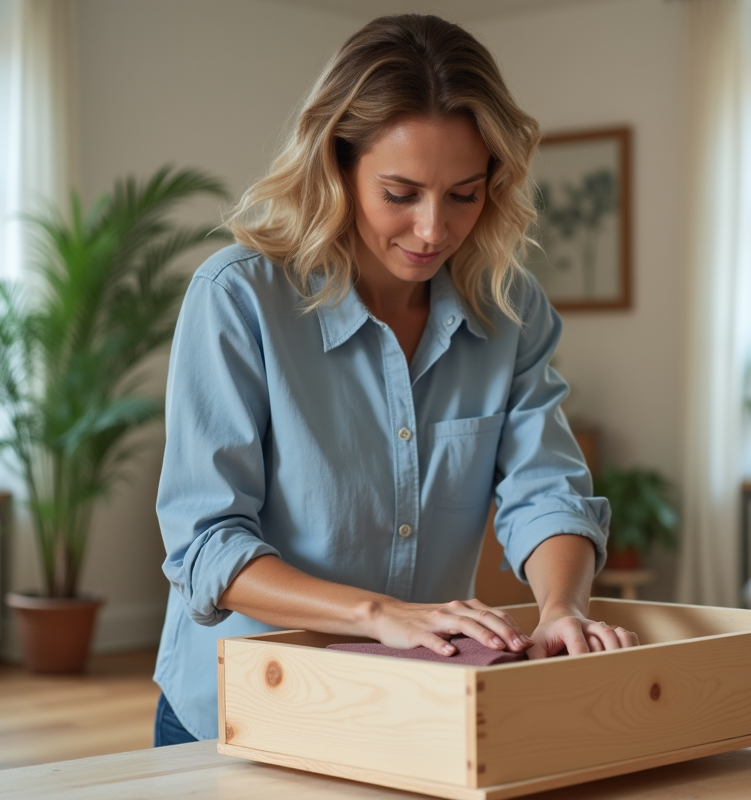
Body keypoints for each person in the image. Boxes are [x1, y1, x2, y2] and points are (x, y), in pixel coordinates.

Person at [152, 13, 636, 746]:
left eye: (464, 194)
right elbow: (207, 545)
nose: (434, 230)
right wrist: (380, 615)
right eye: (401, 194)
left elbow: (546, 492)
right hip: (242, 712)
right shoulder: (239, 298)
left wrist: (561, 608)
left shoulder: (510, 310)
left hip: (412, 710)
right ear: (336, 168)